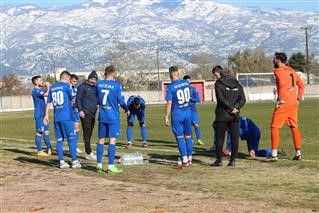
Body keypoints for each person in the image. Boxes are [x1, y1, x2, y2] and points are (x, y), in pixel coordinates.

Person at [267, 52, 305, 161]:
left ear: (278, 60)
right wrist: (298, 98)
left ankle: (274, 155)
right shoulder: (292, 70)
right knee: (294, 126)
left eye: (274, 59)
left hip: (284, 102)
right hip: (293, 103)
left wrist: (280, 99)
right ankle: (298, 153)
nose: (273, 61)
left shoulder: (278, 71)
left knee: (274, 127)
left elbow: (283, 84)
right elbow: (301, 85)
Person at [44, 71, 81, 169]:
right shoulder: (66, 86)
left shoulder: (53, 87)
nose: (70, 82)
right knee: (71, 139)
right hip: (67, 117)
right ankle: (74, 161)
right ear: (66, 78)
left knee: (59, 139)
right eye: (69, 80)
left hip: (57, 117)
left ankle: (61, 161)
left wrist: (46, 115)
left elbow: (48, 102)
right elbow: (72, 98)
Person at [95, 65, 129, 173]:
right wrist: (126, 108)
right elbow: (121, 100)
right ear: (114, 73)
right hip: (113, 116)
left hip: (102, 115)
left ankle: (99, 165)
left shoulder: (98, 84)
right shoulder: (116, 86)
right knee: (112, 140)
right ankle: (110, 166)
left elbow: (97, 98)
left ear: (105, 73)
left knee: (101, 139)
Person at [211, 66, 246, 167]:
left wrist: (230, 108)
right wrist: (236, 107)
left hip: (222, 115)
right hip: (235, 115)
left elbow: (221, 98)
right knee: (235, 138)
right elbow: (243, 99)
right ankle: (233, 160)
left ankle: (219, 160)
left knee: (219, 138)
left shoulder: (218, 84)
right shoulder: (238, 84)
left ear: (221, 74)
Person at [165, 66, 193, 168]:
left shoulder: (170, 87)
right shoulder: (186, 83)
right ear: (178, 73)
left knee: (180, 137)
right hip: (187, 112)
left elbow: (169, 102)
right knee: (188, 137)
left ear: (170, 75)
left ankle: (184, 160)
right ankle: (190, 159)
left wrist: (166, 116)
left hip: (177, 114)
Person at [76, 71, 98, 160]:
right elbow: (78, 99)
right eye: (92, 79)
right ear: (89, 79)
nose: (94, 81)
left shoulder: (96, 88)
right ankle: (88, 152)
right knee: (87, 132)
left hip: (93, 113)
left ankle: (87, 151)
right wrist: (80, 110)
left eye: (95, 79)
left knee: (90, 133)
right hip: (85, 113)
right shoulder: (82, 87)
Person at [31, 76, 52, 156]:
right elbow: (46, 94)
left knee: (46, 132)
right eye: (40, 80)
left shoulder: (39, 90)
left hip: (43, 114)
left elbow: (46, 93)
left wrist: (47, 88)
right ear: (36, 82)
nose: (42, 81)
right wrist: (48, 86)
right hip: (39, 114)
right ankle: (39, 151)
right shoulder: (35, 91)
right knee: (39, 132)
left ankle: (49, 149)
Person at [183, 75, 204, 145]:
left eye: (189, 81)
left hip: (193, 111)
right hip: (185, 111)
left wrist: (191, 99)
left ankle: (199, 140)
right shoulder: (182, 91)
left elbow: (198, 99)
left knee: (196, 125)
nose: (188, 83)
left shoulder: (193, 89)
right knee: (188, 126)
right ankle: (191, 140)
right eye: (186, 82)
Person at [70, 74, 82, 154]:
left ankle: (74, 146)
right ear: (69, 80)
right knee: (71, 131)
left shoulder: (77, 88)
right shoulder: (66, 88)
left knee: (77, 129)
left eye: (76, 82)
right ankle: (72, 147)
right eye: (74, 81)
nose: (75, 83)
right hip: (69, 112)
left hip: (76, 111)